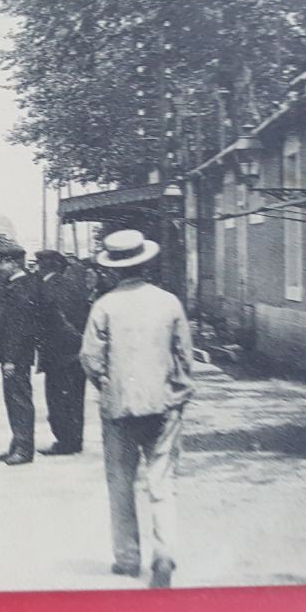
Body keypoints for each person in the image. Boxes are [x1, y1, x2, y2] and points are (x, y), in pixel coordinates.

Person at [80, 229, 195, 588]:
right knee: (162, 484)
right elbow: (185, 355)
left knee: (120, 483)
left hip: (119, 410)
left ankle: (128, 559)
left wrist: (107, 384)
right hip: (163, 406)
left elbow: (90, 358)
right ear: (146, 262)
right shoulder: (169, 302)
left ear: (114, 269)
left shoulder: (104, 306)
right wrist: (175, 389)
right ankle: (164, 556)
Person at [0, 245, 43, 465]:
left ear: (13, 263)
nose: (0, 267)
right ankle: (17, 443)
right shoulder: (16, 284)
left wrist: (10, 358)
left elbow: (18, 328)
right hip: (14, 354)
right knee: (14, 400)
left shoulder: (20, 289)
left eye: (3, 263)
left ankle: (24, 449)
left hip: (16, 356)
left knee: (19, 400)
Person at [34, 250, 91, 455]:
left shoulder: (47, 287)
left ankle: (65, 442)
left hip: (58, 354)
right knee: (75, 399)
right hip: (75, 354)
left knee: (58, 400)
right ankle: (75, 440)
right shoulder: (72, 286)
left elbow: (56, 322)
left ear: (44, 267)